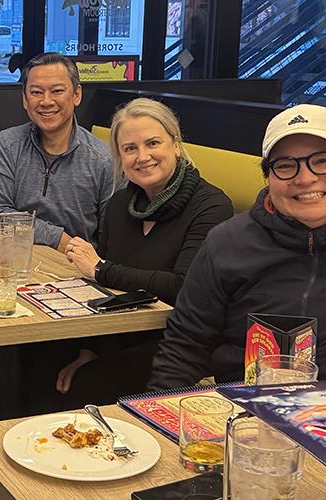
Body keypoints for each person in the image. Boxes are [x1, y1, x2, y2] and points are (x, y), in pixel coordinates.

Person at [149, 104, 326, 390]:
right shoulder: (227, 242)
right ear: (268, 177)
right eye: (285, 165)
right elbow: (185, 346)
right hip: (243, 405)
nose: (305, 178)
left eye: (323, 160)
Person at [55, 97, 233, 394]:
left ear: (175, 145)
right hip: (122, 335)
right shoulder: (119, 204)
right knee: (42, 364)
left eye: (153, 143)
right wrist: (88, 351)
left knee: (86, 384)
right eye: (130, 148)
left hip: (184, 347)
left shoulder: (212, 207)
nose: (142, 156)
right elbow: (104, 291)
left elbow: (182, 286)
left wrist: (100, 269)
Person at [0, 52, 113, 251]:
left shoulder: (103, 159)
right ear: (25, 99)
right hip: (12, 260)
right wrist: (59, 239)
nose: (46, 101)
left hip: (74, 266)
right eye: (36, 92)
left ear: (76, 95)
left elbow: (111, 237)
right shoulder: (7, 146)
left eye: (57, 91)